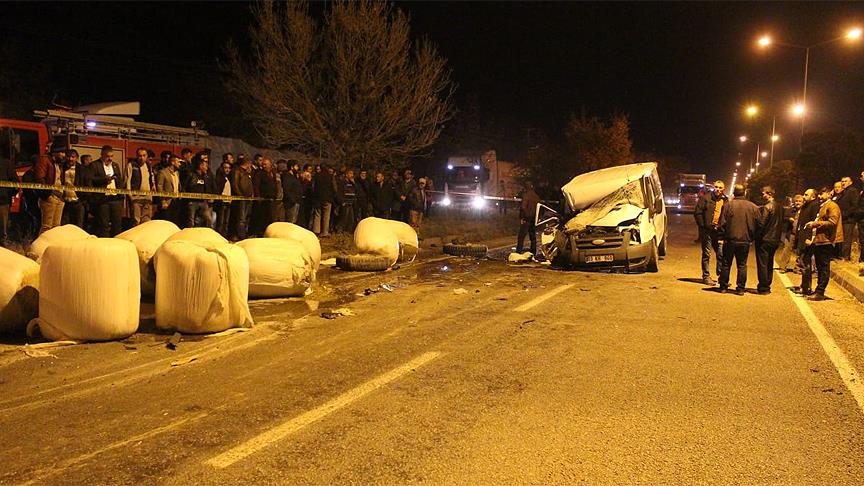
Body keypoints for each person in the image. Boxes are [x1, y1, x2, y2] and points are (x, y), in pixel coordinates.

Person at [801, 187, 843, 301]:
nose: (819, 197)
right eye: (819, 194)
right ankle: (818, 290)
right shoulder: (823, 205)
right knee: (819, 266)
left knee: (823, 267)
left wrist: (815, 224)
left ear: (830, 194)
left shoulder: (832, 206)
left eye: (822, 194)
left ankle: (820, 292)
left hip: (826, 241)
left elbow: (833, 222)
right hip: (820, 240)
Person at [717, 184, 760, 295]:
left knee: (726, 264)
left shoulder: (728, 206)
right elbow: (759, 224)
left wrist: (721, 237)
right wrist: (752, 237)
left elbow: (722, 223)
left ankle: (723, 287)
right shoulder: (753, 207)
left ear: (734, 193)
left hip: (730, 239)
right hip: (745, 240)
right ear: (744, 193)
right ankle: (740, 288)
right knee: (742, 265)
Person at [693, 180, 727, 285]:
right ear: (713, 187)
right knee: (706, 254)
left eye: (720, 187)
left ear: (723, 189)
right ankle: (706, 276)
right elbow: (698, 213)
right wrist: (703, 226)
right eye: (716, 187)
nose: (718, 189)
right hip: (707, 231)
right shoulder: (706, 198)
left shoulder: (725, 200)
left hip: (719, 231)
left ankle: (721, 276)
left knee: (721, 254)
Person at [87, 145, 124, 237]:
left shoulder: (115, 165)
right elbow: (90, 179)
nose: (110, 159)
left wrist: (121, 196)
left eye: (111, 156)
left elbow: (119, 181)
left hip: (115, 198)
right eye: (108, 156)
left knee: (117, 222)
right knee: (103, 224)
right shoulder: (95, 165)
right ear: (102, 155)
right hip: (102, 199)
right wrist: (104, 179)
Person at [792, 189, 820, 296]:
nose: (804, 196)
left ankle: (806, 288)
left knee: (806, 263)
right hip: (802, 239)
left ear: (813, 197)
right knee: (803, 262)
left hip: (807, 240)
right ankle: (803, 286)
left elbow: (813, 224)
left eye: (806, 194)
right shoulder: (806, 206)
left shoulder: (814, 206)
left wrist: (811, 239)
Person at [755, 186, 783, 294]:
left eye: (763, 194)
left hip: (765, 239)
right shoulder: (780, 207)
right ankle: (768, 284)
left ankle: (763, 286)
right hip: (775, 239)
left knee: (762, 263)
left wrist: (756, 236)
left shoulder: (767, 207)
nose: (762, 196)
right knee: (770, 262)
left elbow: (762, 224)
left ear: (769, 194)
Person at [35, 143, 66, 234]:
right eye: (61, 152)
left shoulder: (60, 164)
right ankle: (41, 247)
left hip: (59, 198)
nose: (64, 155)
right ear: (54, 152)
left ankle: (53, 247)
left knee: (56, 227)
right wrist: (48, 195)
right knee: (46, 227)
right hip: (49, 197)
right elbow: (39, 178)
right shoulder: (44, 160)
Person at [125, 147, 155, 226]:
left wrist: (153, 187)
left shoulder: (149, 165)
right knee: (136, 221)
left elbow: (151, 178)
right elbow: (127, 180)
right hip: (136, 197)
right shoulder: (131, 165)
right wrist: (130, 195)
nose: (141, 158)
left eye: (144, 155)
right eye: (140, 156)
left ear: (147, 156)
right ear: (136, 156)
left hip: (147, 197)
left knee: (147, 221)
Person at [183, 157, 216, 228]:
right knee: (191, 221)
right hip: (192, 202)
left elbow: (208, 187)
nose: (207, 168)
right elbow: (185, 187)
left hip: (203, 201)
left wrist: (210, 197)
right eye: (205, 166)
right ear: (201, 166)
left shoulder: (206, 176)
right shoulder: (191, 175)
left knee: (209, 219)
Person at [0, 129, 19, 244]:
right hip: (3, 199)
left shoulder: (6, 163)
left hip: (2, 200)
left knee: (3, 228)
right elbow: (15, 183)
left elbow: (14, 183)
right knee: (3, 228)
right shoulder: (6, 163)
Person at [777, 194, 804, 273]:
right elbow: (783, 217)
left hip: (801, 234)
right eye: (796, 201)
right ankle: (782, 267)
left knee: (800, 251)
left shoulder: (805, 211)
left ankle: (798, 268)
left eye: (800, 201)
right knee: (787, 250)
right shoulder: (790, 210)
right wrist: (789, 219)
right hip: (791, 233)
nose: (798, 203)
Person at [834, 176, 858, 261]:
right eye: (842, 181)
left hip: (848, 220)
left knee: (847, 239)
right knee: (842, 238)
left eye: (845, 181)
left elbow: (854, 205)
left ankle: (845, 256)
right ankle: (841, 255)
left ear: (850, 182)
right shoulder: (844, 192)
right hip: (843, 219)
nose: (843, 183)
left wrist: (845, 214)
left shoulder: (852, 191)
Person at [61, 149, 86, 228]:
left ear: (77, 158)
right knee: (64, 226)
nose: (70, 159)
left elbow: (87, 184)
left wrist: (83, 199)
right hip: (65, 201)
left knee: (78, 227)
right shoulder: (62, 167)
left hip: (78, 202)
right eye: (68, 157)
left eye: (73, 157)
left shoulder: (82, 169)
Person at [232, 158, 254, 240]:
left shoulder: (246, 172)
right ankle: (241, 235)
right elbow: (235, 184)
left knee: (246, 217)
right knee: (241, 218)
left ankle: (243, 233)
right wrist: (240, 195)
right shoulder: (237, 171)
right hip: (242, 198)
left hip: (247, 198)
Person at [155, 154, 181, 223]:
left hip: (176, 201)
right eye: (178, 162)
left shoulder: (177, 173)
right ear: (172, 162)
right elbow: (159, 187)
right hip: (167, 201)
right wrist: (163, 201)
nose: (180, 164)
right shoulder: (162, 172)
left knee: (175, 221)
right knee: (166, 221)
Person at [517, 182, 540, 255]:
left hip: (526, 218)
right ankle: (533, 251)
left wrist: (522, 217)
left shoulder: (526, 196)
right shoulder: (536, 196)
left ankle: (518, 251)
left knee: (521, 236)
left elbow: (523, 207)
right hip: (533, 219)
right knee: (533, 237)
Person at [312, 164, 336, 237]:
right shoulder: (331, 176)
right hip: (328, 198)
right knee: (326, 215)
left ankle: (316, 230)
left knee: (317, 214)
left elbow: (313, 187)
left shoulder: (316, 176)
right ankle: (325, 232)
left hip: (318, 198)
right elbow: (334, 188)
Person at [214, 159, 233, 237]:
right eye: (225, 168)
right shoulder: (219, 178)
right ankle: (219, 236)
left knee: (226, 221)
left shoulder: (229, 178)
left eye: (229, 168)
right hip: (221, 202)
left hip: (228, 202)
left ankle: (224, 236)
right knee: (220, 222)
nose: (227, 169)